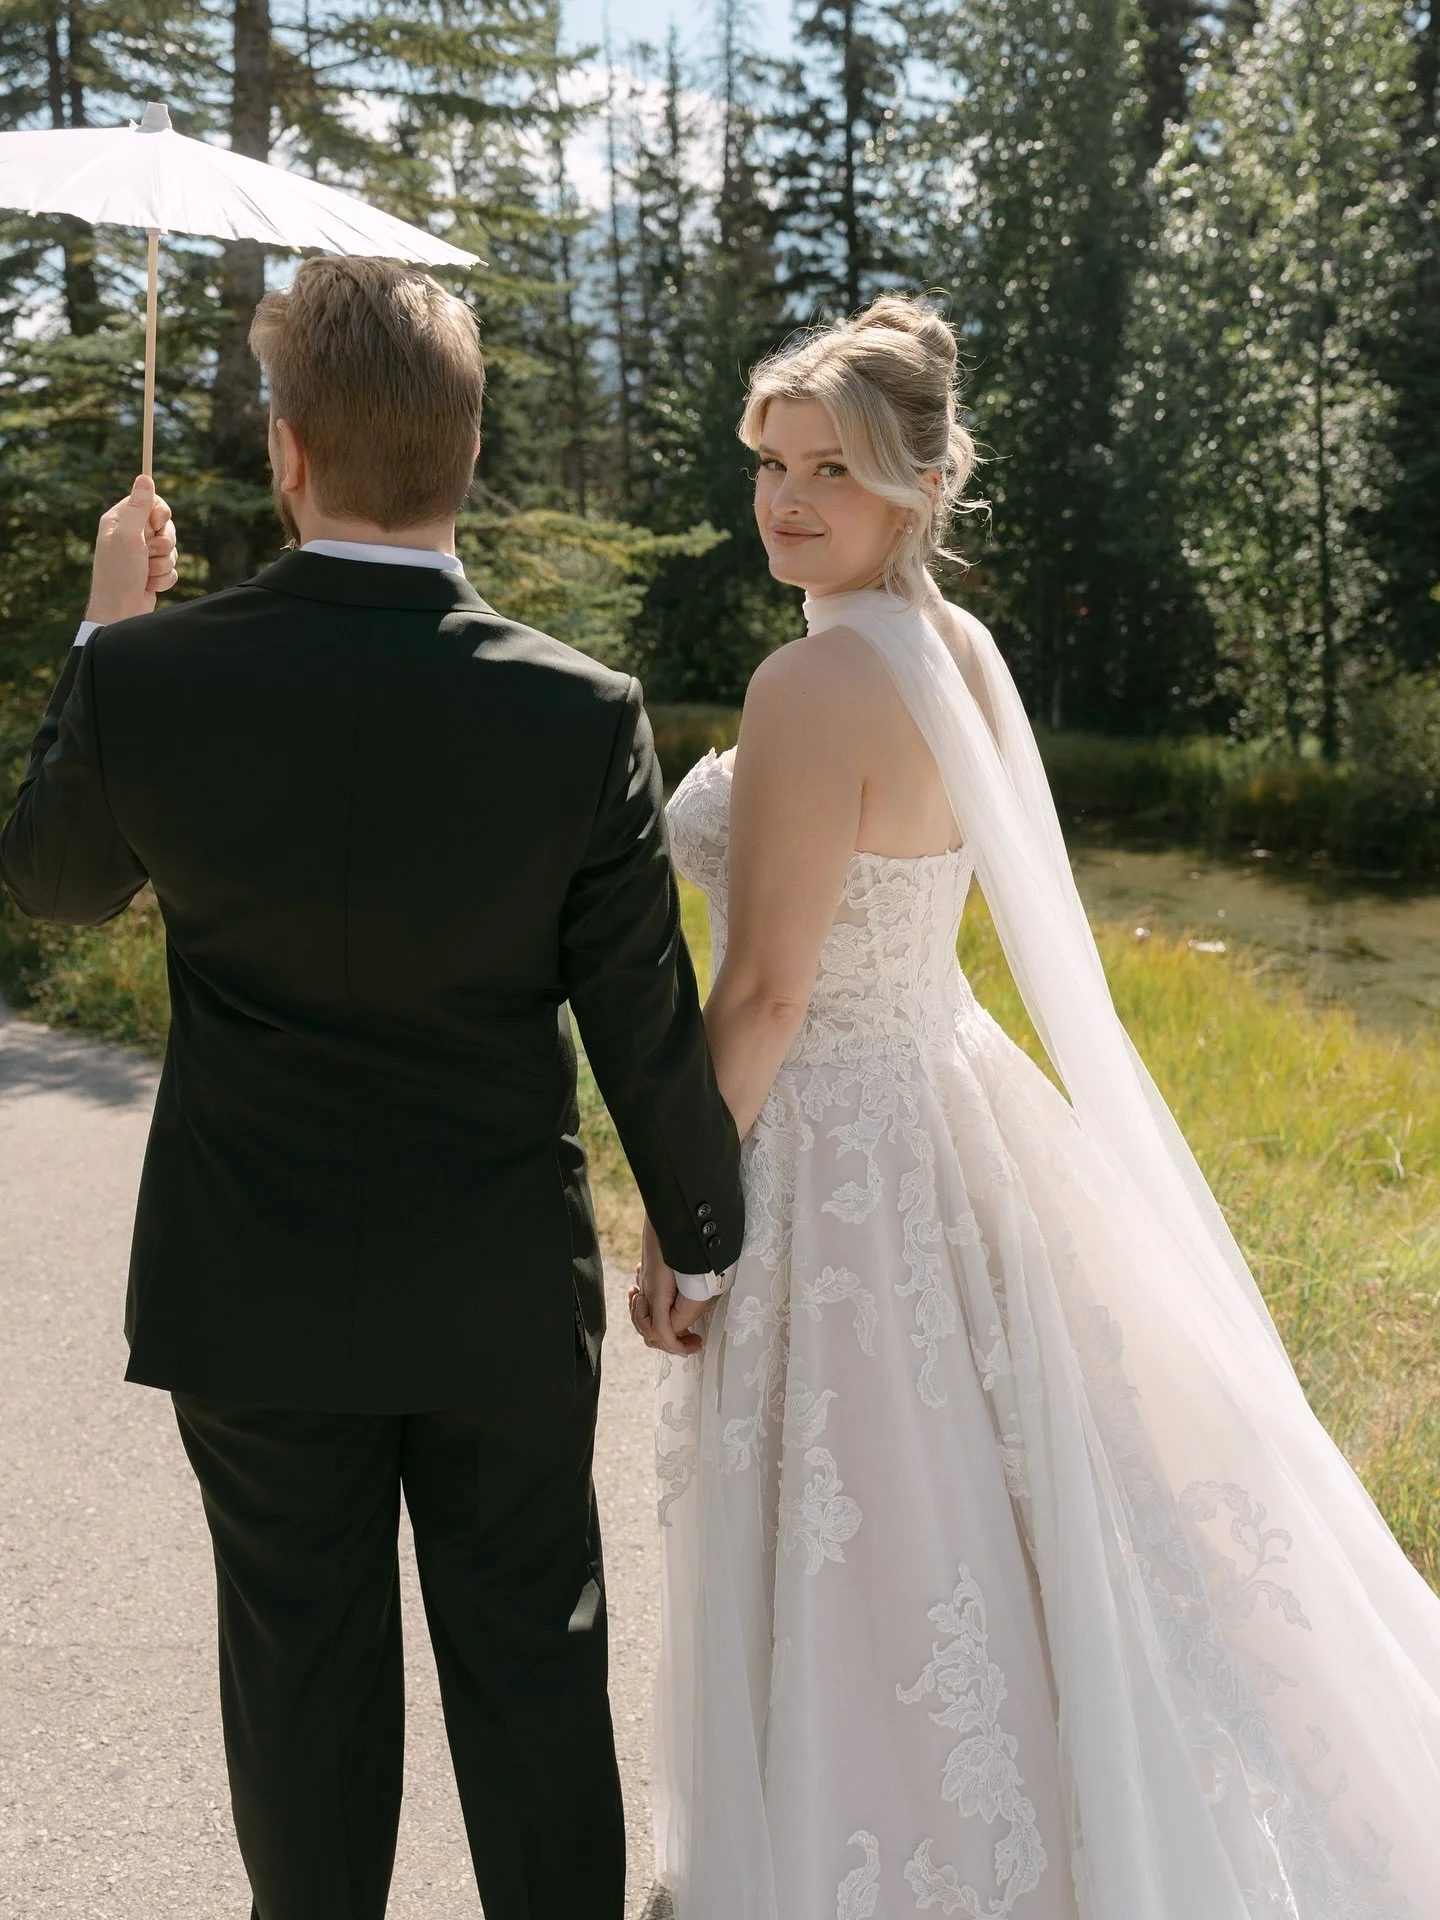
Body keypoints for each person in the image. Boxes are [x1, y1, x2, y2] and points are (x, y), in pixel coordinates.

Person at [635, 295, 1440, 1920]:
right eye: (773, 468)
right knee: (1008, 1508)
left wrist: (683, 1214)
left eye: (831, 473)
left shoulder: (808, 682)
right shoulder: (958, 649)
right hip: (959, 1103)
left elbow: (771, 991)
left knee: (875, 1521)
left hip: (844, 1141)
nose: (788, 504)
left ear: (918, 487)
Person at [0, 255, 743, 1920]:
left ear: (284, 453)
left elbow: (49, 887)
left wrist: (106, 628)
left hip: (251, 1294)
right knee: (536, 1674)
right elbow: (642, 1015)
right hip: (493, 1294)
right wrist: (701, 1233)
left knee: (301, 1687)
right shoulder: (582, 711)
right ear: (466, 454)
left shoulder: (152, 676)